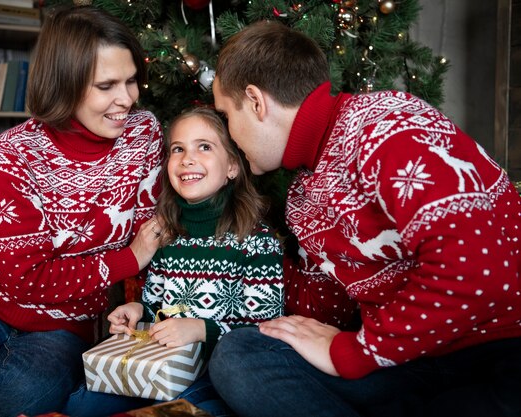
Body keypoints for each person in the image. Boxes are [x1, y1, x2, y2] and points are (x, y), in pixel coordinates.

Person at [208, 20, 521, 417]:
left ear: (255, 102)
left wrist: (355, 353)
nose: (230, 137)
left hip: (491, 349)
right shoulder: (304, 195)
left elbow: (477, 272)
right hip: (404, 363)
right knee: (240, 354)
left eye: (226, 116)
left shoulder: (388, 127)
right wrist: (230, 265)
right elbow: (321, 313)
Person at [0, 6, 164, 417]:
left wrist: (144, 297)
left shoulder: (144, 135)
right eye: (106, 85)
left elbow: (155, 231)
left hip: (63, 319)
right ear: (65, 84)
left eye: (130, 81)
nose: (126, 99)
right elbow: (23, 279)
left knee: (16, 400)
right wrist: (128, 259)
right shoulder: (13, 151)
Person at [63, 106, 285, 417]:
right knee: (81, 405)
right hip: (160, 365)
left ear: (232, 165)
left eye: (204, 147)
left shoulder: (256, 241)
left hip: (215, 374)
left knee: (186, 409)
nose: (187, 159)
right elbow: (158, 306)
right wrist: (138, 310)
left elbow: (264, 330)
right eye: (178, 149)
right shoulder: (166, 234)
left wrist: (201, 329)